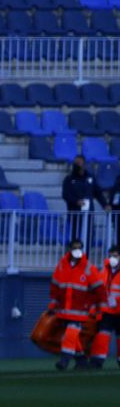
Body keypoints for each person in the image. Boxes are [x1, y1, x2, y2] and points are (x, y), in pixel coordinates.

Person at [50, 239, 100, 369]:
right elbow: (55, 287)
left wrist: (95, 307)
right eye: (74, 247)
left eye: (79, 247)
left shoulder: (88, 267)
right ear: (69, 249)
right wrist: (53, 303)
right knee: (72, 335)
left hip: (80, 310)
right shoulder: (62, 265)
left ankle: (64, 360)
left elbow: (98, 289)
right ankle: (81, 359)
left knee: (70, 334)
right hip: (64, 309)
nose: (77, 250)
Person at [90, 245, 120, 368]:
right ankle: (97, 361)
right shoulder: (103, 271)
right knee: (102, 336)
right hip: (106, 311)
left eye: (116, 256)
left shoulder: (104, 271)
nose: (113, 258)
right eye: (111, 255)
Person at [62, 157, 96, 242]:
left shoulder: (90, 177)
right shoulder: (69, 179)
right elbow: (65, 195)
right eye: (76, 163)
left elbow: (97, 192)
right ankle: (74, 254)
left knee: (88, 235)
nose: (79, 165)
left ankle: (86, 254)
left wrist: (105, 204)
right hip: (74, 212)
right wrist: (76, 201)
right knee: (75, 236)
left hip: (88, 212)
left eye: (80, 163)